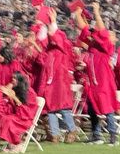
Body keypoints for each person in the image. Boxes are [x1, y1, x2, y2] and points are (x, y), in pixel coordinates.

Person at [75, 3, 118, 146]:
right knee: (92, 108)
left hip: (104, 81)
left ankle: (113, 136)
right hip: (92, 82)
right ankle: (97, 135)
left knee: (108, 109)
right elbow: (84, 28)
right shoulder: (93, 46)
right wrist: (78, 12)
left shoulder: (107, 46)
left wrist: (97, 12)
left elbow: (103, 30)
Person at [38, 9, 77, 143]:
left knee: (63, 107)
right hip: (50, 80)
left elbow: (55, 36)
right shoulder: (50, 49)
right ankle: (55, 134)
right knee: (50, 108)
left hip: (61, 80)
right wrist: (43, 21)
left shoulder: (64, 45)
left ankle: (72, 129)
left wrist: (53, 21)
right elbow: (42, 40)